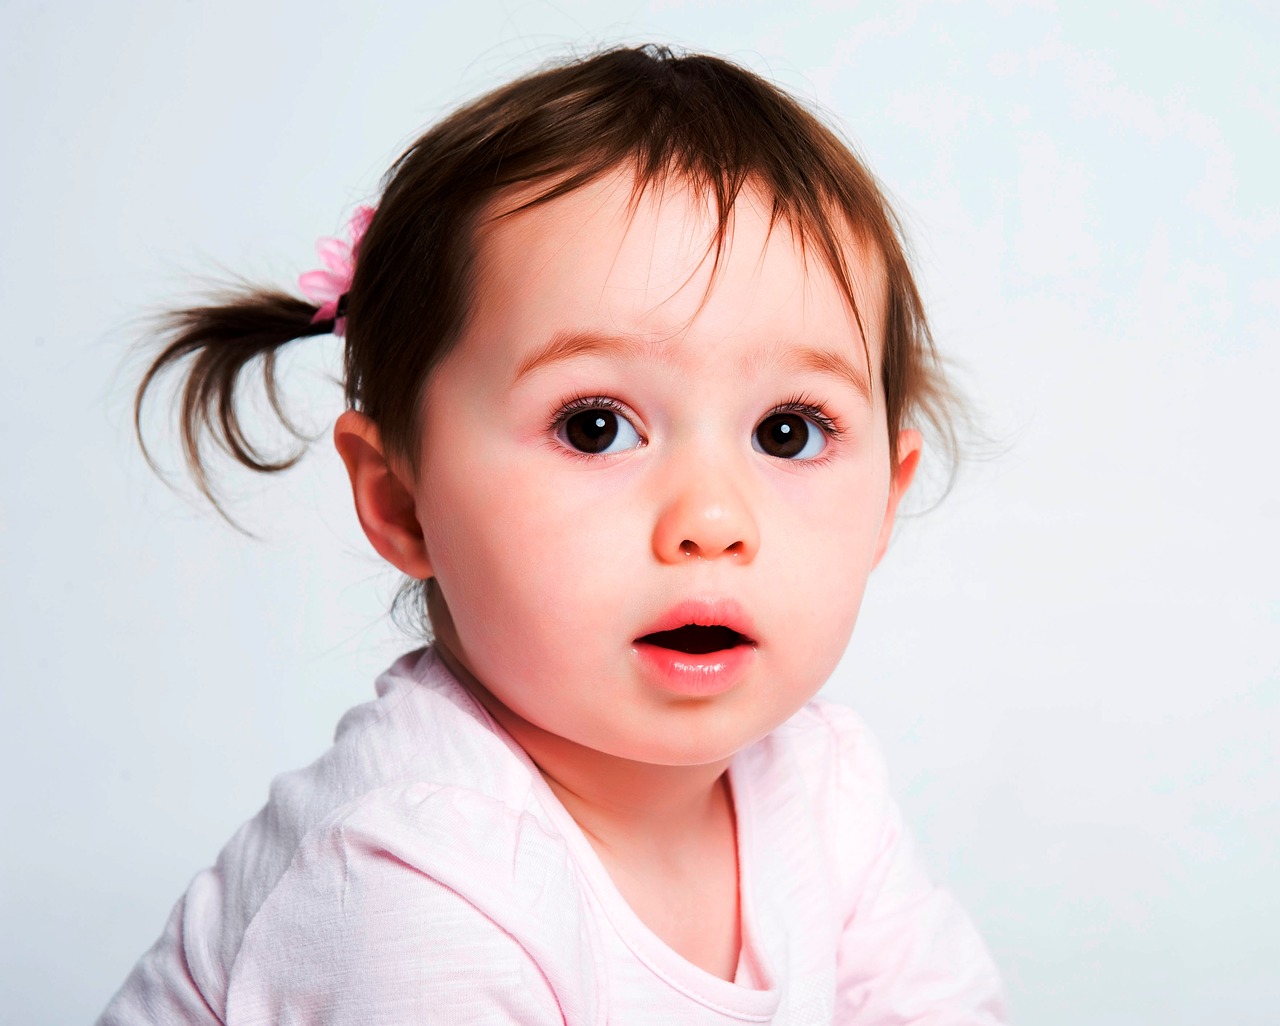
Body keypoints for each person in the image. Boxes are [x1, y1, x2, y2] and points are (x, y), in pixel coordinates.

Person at [99, 44, 1006, 1024]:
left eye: (786, 432)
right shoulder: (414, 885)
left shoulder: (822, 787)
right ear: (403, 504)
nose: (710, 521)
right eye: (593, 426)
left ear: (885, 499)